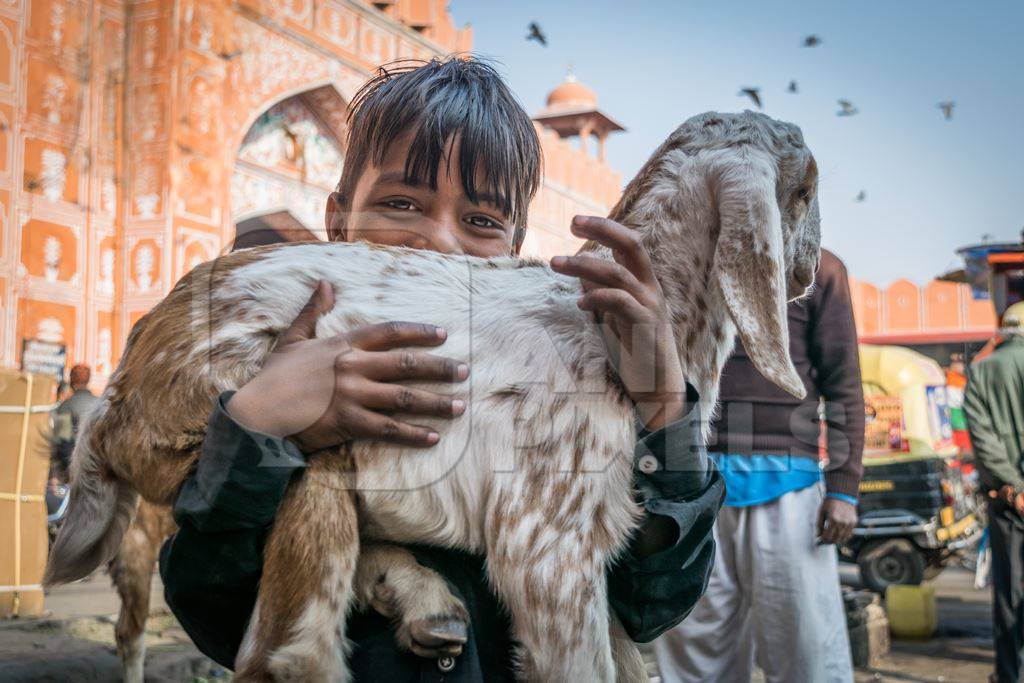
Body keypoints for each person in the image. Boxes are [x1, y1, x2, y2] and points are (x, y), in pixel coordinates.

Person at [159, 57, 724, 680]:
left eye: (481, 222)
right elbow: (212, 610)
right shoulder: (281, 371)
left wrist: (664, 406)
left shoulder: (551, 394)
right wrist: (261, 427)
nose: (440, 242)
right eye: (401, 203)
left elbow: (652, 603)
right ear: (336, 222)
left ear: (514, 252)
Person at [654, 248, 865, 682]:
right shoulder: (686, 257)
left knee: (805, 648)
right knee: (694, 649)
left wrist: (844, 490)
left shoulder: (820, 269)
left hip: (789, 490)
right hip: (694, 489)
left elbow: (844, 384)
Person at [963, 301, 1024, 683]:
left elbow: (982, 440)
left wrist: (1016, 489)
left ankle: (1010, 675)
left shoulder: (981, 371)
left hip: (1006, 502)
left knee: (1009, 593)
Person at [49, 364, 100, 485]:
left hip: (74, 473)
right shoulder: (101, 405)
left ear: (71, 379)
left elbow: (60, 443)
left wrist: (55, 476)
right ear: (88, 380)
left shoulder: (65, 407)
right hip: (99, 472)